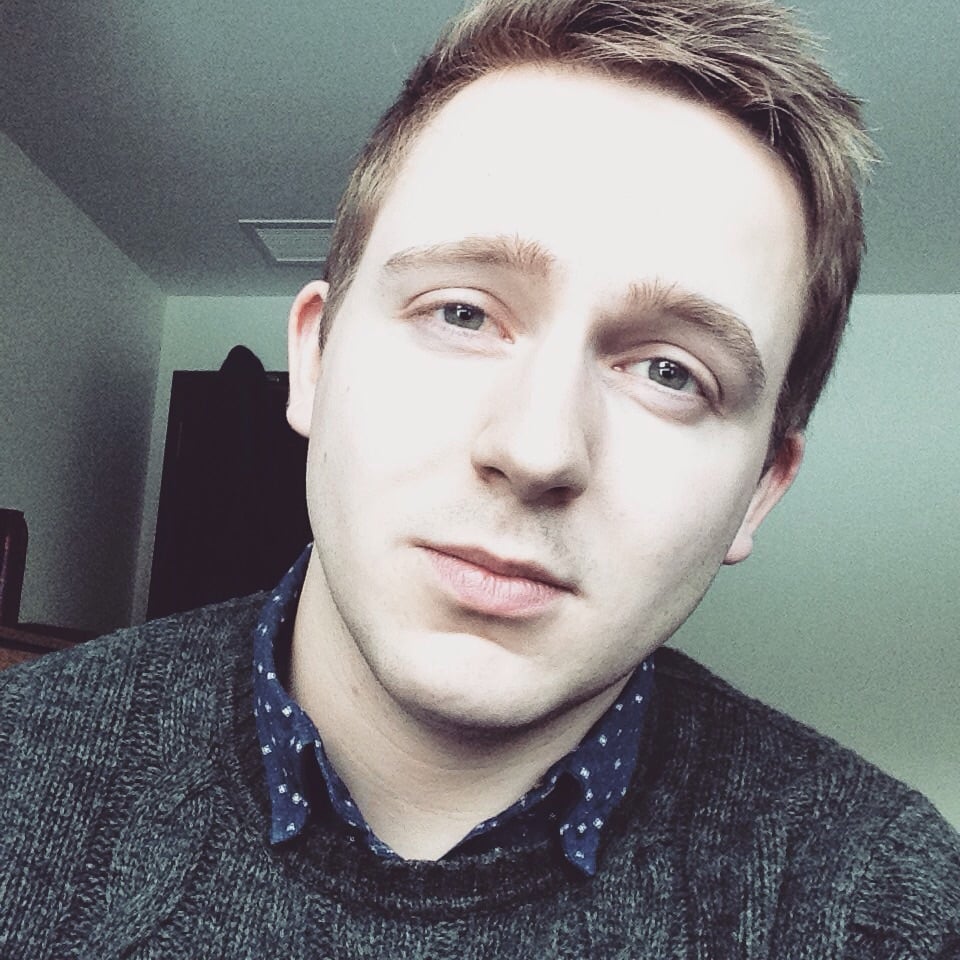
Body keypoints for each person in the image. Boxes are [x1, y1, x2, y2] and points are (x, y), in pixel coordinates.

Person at [2, 0, 958, 955]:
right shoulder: (19, 769)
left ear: (760, 490)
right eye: (461, 312)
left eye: (671, 373)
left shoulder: (886, 904)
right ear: (316, 362)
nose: (539, 450)